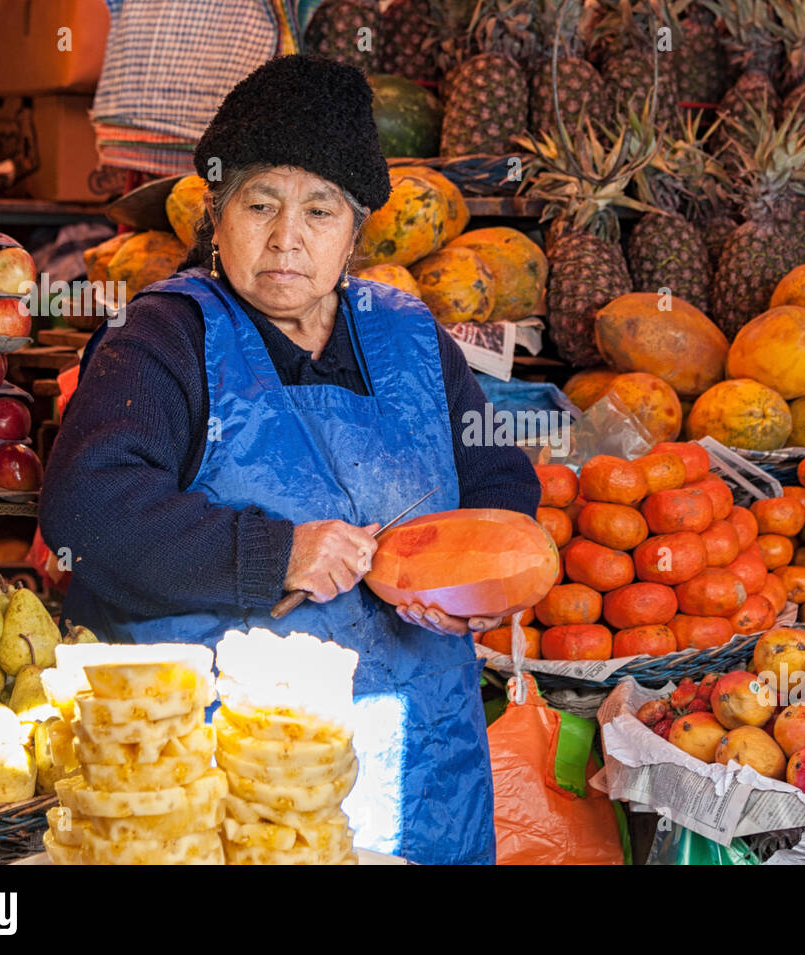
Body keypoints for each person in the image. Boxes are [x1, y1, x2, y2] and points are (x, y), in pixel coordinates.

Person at [39, 55, 540, 865]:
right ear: (215, 211)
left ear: (356, 230)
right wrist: (278, 553)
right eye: (260, 203)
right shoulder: (164, 337)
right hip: (234, 794)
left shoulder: (410, 335)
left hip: (423, 779)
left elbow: (499, 485)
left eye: (320, 210)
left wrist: (482, 590)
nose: (287, 239)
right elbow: (89, 512)